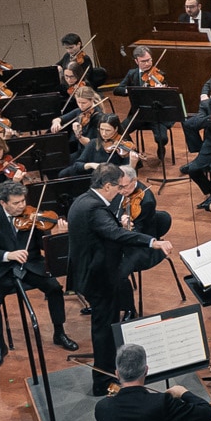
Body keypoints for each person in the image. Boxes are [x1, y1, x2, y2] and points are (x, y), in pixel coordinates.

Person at [66, 165, 159, 396]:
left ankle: (108, 373)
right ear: (107, 185)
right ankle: (102, 382)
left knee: (105, 327)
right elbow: (115, 234)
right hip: (99, 278)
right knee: (104, 332)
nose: (120, 192)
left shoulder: (82, 200)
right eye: (118, 187)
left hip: (90, 273)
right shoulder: (94, 208)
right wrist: (151, 242)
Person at [0, 187, 72, 371]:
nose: (22, 206)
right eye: (16, 203)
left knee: (54, 288)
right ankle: (0, 345)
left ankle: (59, 332)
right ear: (3, 203)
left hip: (31, 264)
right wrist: (8, 255)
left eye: (23, 201)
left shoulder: (33, 215)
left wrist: (58, 233)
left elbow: (44, 244)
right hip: (2, 268)